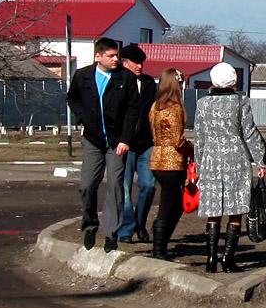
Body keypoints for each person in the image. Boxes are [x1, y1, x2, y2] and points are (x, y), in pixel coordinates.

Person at [66, 37, 142, 253]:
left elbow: (133, 109)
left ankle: (111, 233)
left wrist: (126, 139)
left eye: (117, 55)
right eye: (111, 56)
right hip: (92, 139)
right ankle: (90, 224)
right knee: (88, 184)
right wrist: (82, 118)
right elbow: (72, 98)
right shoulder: (83, 76)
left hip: (117, 141)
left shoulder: (125, 78)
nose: (116, 59)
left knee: (116, 185)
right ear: (98, 57)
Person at [194, 62, 266, 273]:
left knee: (213, 209)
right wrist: (261, 160)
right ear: (233, 81)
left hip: (210, 160)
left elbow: (199, 137)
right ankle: (228, 259)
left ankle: (210, 259)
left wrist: (199, 164)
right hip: (236, 159)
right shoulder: (240, 102)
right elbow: (250, 133)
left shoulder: (202, 104)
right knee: (235, 210)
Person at [115, 43, 157, 244]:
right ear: (125, 63)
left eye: (142, 63)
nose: (140, 66)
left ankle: (140, 224)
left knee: (148, 185)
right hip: (124, 144)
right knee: (124, 189)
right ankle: (126, 229)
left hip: (146, 143)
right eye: (136, 62)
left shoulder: (149, 83)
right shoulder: (117, 81)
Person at [147, 67, 189, 260]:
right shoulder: (174, 108)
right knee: (168, 206)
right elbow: (177, 140)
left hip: (156, 158)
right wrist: (192, 149)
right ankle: (159, 250)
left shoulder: (155, 107)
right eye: (180, 83)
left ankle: (160, 246)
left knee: (175, 205)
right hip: (171, 162)